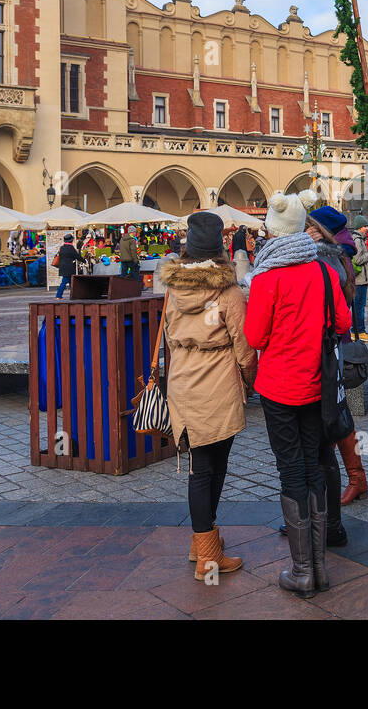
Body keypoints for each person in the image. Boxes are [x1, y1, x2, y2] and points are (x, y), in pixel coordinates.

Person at [245, 190, 350, 598]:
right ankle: (320, 567)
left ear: (273, 230)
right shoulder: (323, 272)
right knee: (314, 466)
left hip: (278, 388)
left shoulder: (268, 277)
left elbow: (255, 336)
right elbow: (342, 321)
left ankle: (301, 570)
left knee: (290, 470)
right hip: (316, 387)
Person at [158, 212, 257, 581]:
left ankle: (202, 542)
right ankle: (207, 559)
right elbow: (245, 347)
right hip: (218, 383)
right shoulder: (228, 292)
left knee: (200, 466)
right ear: (220, 248)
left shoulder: (173, 288)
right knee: (212, 467)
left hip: (183, 381)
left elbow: (169, 335)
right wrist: (249, 380)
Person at [309, 206, 368, 509]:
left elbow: (334, 308)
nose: (304, 231)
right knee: (335, 415)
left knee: (336, 416)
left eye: (310, 227)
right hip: (327, 343)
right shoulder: (333, 253)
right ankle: (353, 479)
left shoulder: (329, 257)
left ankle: (352, 480)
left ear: (322, 231)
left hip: (330, 345)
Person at [349, 215, 368, 342]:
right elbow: (358, 260)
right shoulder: (357, 240)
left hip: (362, 279)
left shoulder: (360, 239)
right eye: (365, 226)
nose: (367, 228)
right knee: (359, 306)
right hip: (359, 280)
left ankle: (357, 330)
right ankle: (358, 331)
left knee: (359, 305)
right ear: (359, 227)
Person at [54, 233, 79, 299]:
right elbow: (77, 256)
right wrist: (84, 261)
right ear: (71, 240)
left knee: (71, 282)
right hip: (69, 268)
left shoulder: (62, 248)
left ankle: (73, 295)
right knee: (64, 282)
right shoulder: (71, 248)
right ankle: (58, 295)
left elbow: (57, 255)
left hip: (63, 267)